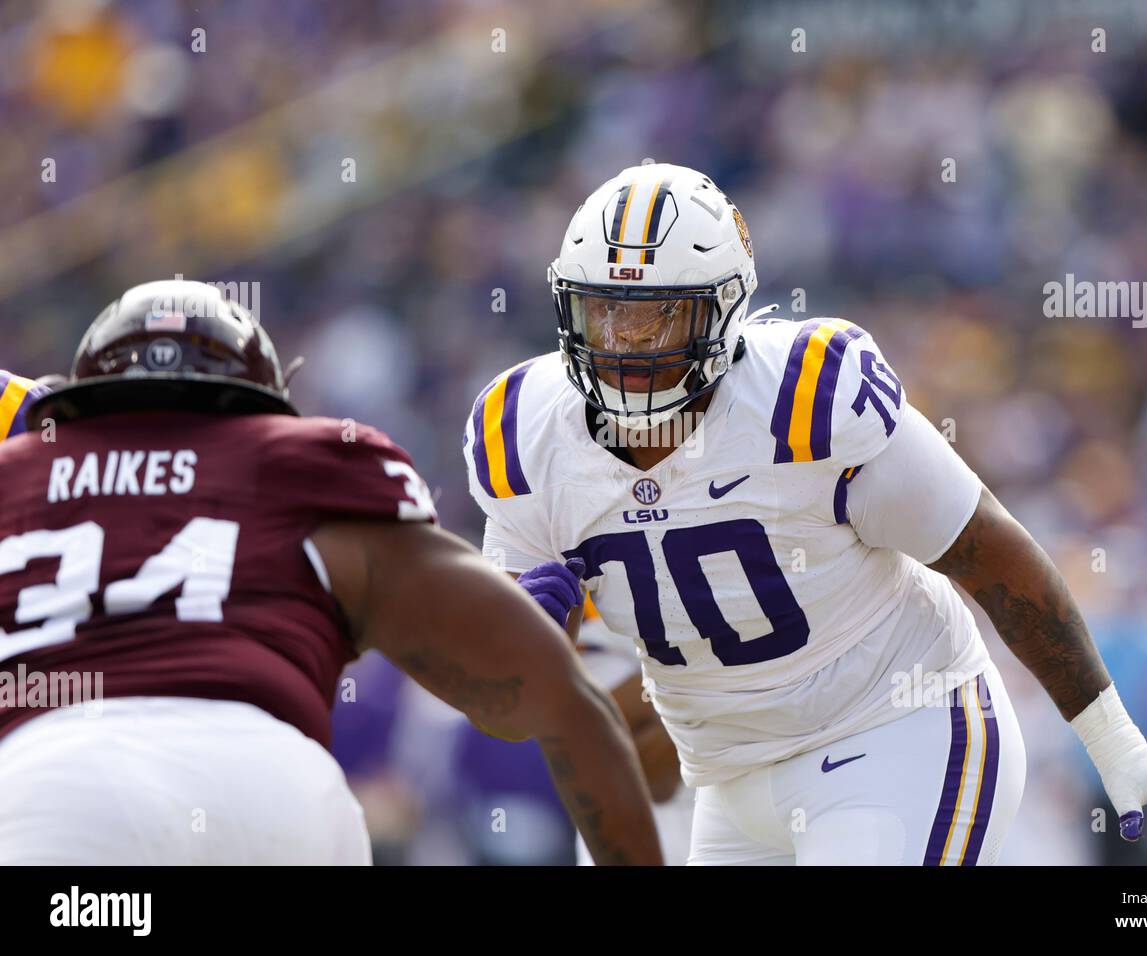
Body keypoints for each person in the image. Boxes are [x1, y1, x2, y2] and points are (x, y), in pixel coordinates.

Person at [464, 163, 1147, 865]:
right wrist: (522, 647)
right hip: (729, 787)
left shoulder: (807, 400)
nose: (627, 345)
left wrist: (1116, 744)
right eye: (606, 313)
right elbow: (506, 710)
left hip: (894, 731)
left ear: (724, 313)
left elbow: (992, 556)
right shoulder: (527, 434)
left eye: (657, 316)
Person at [0, 279, 661, 866]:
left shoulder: (16, 478)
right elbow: (550, 703)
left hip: (54, 785)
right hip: (273, 791)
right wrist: (535, 639)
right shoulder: (304, 464)